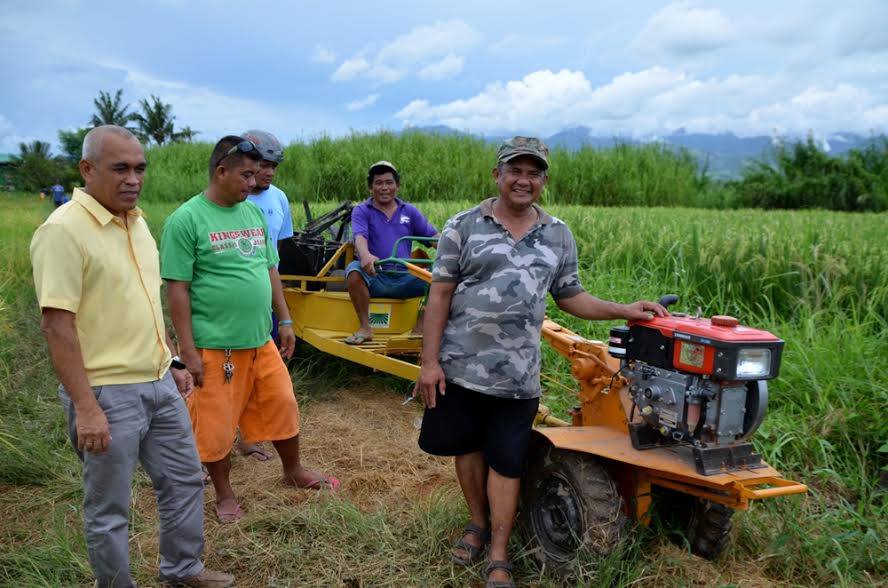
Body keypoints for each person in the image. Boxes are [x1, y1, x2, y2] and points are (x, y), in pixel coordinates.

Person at [414, 137, 668, 588]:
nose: (524, 180)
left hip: (518, 378)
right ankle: (476, 523)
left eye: (534, 173)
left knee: (508, 462)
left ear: (543, 181)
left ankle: (498, 551)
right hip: (461, 368)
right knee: (466, 450)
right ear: (497, 175)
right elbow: (440, 295)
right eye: (516, 170)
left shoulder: (557, 233)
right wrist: (429, 362)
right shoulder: (463, 225)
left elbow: (572, 296)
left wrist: (624, 309)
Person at [30, 125, 233, 588]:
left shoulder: (136, 223)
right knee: (110, 507)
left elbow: (142, 301)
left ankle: (183, 570)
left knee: (183, 480)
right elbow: (57, 326)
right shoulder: (62, 231)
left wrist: (171, 359)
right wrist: (86, 408)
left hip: (159, 381)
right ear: (87, 169)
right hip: (105, 393)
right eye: (119, 168)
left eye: (139, 168)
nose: (132, 179)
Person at [160, 135, 339, 524]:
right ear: (221, 172)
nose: (253, 183)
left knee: (283, 404)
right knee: (215, 425)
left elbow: (270, 269)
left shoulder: (253, 214)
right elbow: (177, 289)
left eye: (255, 175)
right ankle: (225, 494)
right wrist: (186, 350)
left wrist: (286, 319)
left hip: (261, 339)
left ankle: (292, 470)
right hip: (215, 347)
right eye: (245, 175)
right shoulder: (186, 219)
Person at [235, 129, 294, 462]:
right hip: (233, 302)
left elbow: (279, 252)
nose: (269, 172)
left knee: (260, 370)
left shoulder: (279, 198)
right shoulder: (233, 198)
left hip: (266, 297)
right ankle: (214, 439)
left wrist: (283, 310)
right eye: (263, 164)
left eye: (274, 165)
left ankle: (250, 436)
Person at [344, 160, 438, 344]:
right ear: (371, 187)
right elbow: (360, 237)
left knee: (443, 276)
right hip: (376, 276)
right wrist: (365, 255)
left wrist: (455, 248)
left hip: (405, 277)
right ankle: (365, 327)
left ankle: (421, 327)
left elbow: (433, 236)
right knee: (354, 270)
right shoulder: (362, 210)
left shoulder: (409, 211)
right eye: (379, 183)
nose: (384, 187)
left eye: (389, 182)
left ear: (397, 186)